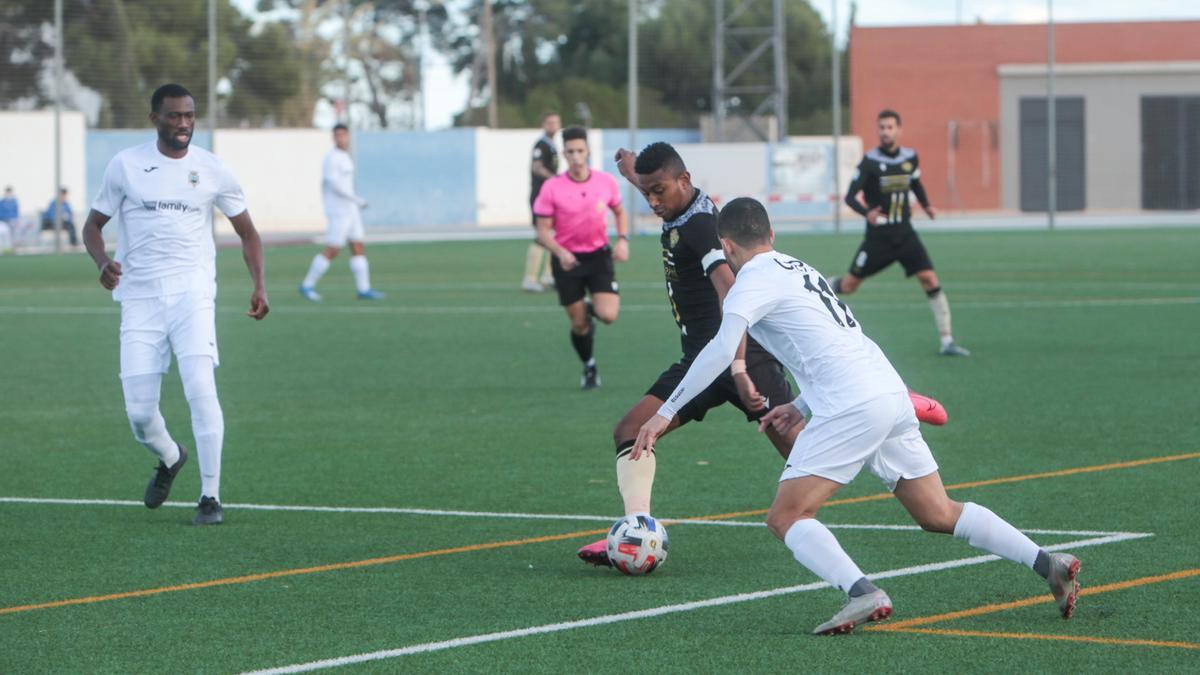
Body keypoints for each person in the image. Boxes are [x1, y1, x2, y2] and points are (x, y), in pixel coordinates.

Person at [633, 197, 1079, 635]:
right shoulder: (800, 269)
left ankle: (862, 591)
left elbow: (720, 349)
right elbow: (835, 343)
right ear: (771, 234)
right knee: (937, 512)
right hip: (888, 390)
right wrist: (800, 405)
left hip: (852, 404)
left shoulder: (748, 282)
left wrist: (663, 413)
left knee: (786, 517)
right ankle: (1049, 564)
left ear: (726, 247)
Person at [575, 143, 948, 565]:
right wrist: (632, 172)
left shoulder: (701, 228)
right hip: (699, 362)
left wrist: (737, 367)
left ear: (684, 181)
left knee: (807, 453)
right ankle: (635, 532)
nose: (653, 201)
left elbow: (729, 290)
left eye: (658, 191)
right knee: (631, 429)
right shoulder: (679, 200)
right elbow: (654, 180)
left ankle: (898, 399)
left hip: (744, 359)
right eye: (647, 194)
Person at [81, 83, 269, 526]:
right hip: (140, 298)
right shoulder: (126, 165)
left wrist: (259, 284)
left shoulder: (213, 169)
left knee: (201, 389)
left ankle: (210, 496)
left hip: (193, 295)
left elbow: (249, 233)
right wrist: (103, 261)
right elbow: (92, 226)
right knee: (140, 414)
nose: (183, 124)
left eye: (189, 116)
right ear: (155, 119)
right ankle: (170, 456)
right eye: (174, 116)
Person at [832, 109, 969, 356]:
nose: (885, 132)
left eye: (889, 127)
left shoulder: (910, 158)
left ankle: (947, 341)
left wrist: (926, 206)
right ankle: (820, 286)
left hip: (905, 235)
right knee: (850, 285)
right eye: (881, 127)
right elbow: (850, 197)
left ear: (898, 130)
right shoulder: (870, 162)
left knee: (929, 278)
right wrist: (868, 213)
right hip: (878, 239)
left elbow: (915, 183)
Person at [532, 126, 629, 389]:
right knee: (579, 324)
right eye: (571, 151)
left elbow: (619, 212)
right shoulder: (552, 187)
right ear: (564, 153)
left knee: (608, 315)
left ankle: (592, 307)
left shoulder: (605, 182)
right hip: (567, 261)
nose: (576, 156)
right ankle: (589, 365)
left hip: (598, 257)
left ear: (588, 152)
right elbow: (542, 230)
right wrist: (560, 252)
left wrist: (622, 240)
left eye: (580, 151)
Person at [299, 123, 384, 301]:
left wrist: (353, 202)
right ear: (333, 138)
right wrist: (356, 199)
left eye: (344, 135)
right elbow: (334, 185)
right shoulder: (332, 158)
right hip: (338, 210)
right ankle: (307, 285)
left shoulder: (345, 157)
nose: (341, 138)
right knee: (333, 248)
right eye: (337, 135)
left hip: (350, 210)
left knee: (358, 245)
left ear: (348, 136)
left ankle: (364, 289)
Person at [522, 111, 562, 293]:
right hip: (540, 197)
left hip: (550, 196)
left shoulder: (552, 145)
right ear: (543, 125)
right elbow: (536, 167)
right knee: (541, 236)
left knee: (554, 235)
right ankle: (530, 279)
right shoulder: (541, 145)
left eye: (555, 122)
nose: (553, 126)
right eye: (549, 123)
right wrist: (556, 180)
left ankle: (549, 275)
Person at [0, 186, 16, 251]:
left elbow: (16, 212)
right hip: (3, 221)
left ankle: (10, 249)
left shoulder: (14, 202)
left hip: (12, 222)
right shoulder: (2, 202)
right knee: (3, 235)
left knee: (11, 237)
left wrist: (15, 220)